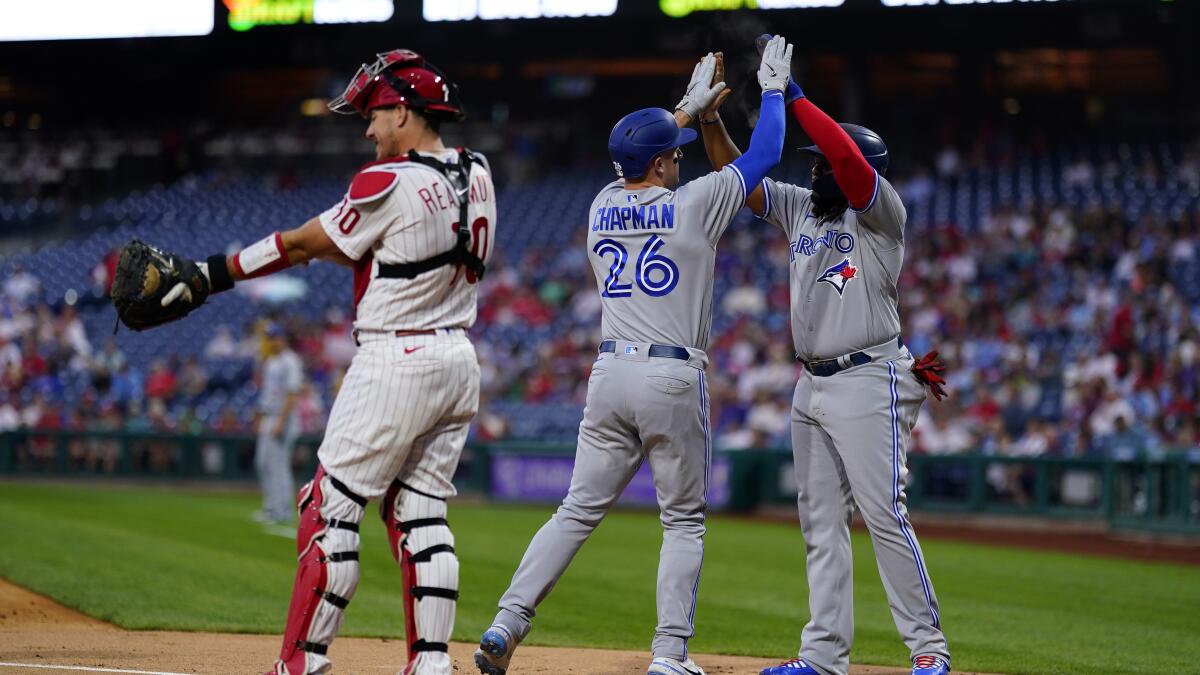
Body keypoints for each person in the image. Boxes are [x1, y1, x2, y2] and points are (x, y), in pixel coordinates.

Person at [155, 49, 495, 675]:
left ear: (402, 110)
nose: (367, 128)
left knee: (328, 506)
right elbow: (388, 250)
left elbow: (306, 242)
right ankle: (430, 664)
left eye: (372, 113)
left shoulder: (385, 180)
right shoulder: (477, 173)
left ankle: (300, 663)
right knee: (423, 513)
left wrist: (213, 273)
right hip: (457, 358)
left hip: (398, 355)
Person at [474, 37, 793, 675]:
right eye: (672, 156)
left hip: (609, 372)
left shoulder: (599, 204)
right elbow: (767, 154)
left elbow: (640, 147)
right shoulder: (694, 204)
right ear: (664, 164)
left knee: (576, 509)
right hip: (672, 372)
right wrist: (775, 92)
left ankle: (506, 622)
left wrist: (685, 110)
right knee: (682, 522)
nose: (678, 161)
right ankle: (669, 655)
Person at [694, 43, 951, 675]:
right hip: (812, 382)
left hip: (870, 377)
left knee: (885, 516)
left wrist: (796, 94)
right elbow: (742, 181)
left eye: (823, 166)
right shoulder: (803, 206)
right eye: (811, 166)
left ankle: (928, 652)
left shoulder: (880, 211)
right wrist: (709, 121)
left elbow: (842, 153)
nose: (814, 172)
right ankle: (822, 658)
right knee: (820, 526)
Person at [253, 323, 304, 525]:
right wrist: (261, 417)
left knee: (278, 466)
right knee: (263, 463)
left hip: (283, 418)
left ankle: (282, 510)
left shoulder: (290, 361)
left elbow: (292, 394)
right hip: (270, 416)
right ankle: (271, 507)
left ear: (282, 338)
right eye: (269, 338)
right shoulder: (271, 361)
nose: (271, 341)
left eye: (274, 337)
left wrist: (280, 422)